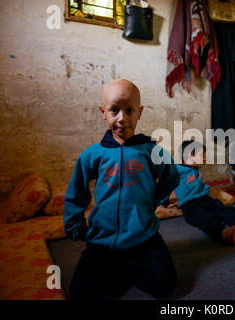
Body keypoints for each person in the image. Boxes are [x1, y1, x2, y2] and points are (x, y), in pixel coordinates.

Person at [63, 79, 180, 300]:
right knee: (80, 293)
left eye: (129, 110)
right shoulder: (92, 154)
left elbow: (171, 177)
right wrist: (74, 225)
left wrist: (155, 200)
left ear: (140, 112)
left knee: (165, 284)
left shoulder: (152, 150)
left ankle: (124, 269)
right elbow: (76, 191)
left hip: (144, 238)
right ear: (103, 112)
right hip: (102, 240)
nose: (122, 118)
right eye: (114, 110)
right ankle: (119, 268)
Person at [174, 140, 235, 245]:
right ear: (190, 155)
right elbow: (165, 185)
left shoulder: (195, 169)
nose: (205, 158)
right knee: (205, 218)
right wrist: (166, 202)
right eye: (202, 155)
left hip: (206, 200)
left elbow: (201, 186)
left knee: (227, 211)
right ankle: (223, 234)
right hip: (190, 205)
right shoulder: (177, 170)